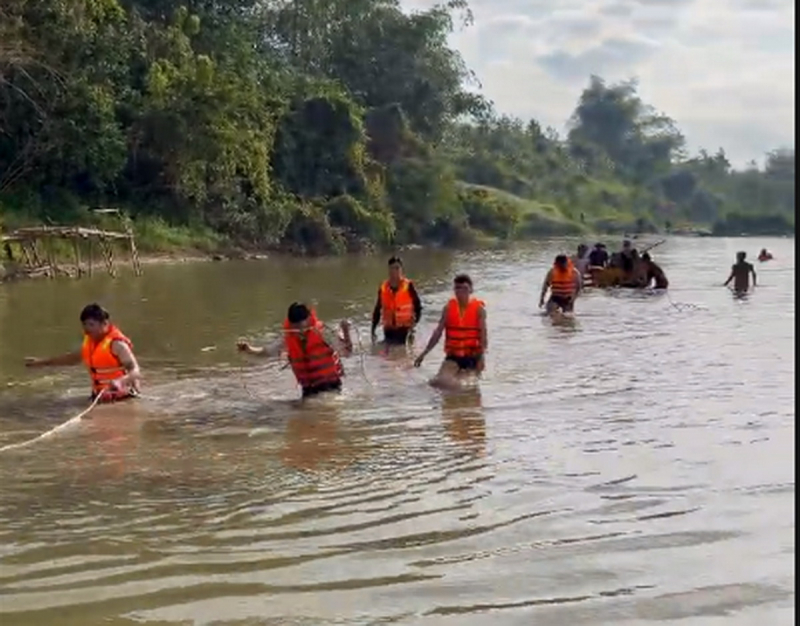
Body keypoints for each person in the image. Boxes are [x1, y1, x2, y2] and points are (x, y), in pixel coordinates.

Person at [24, 303, 141, 402]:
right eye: (84, 324)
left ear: (104, 324)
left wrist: (121, 381)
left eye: (91, 325)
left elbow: (135, 371)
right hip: (98, 396)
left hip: (123, 398)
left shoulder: (117, 344)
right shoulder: (89, 342)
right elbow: (71, 359)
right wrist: (41, 362)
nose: (87, 329)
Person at [237, 302, 353, 398]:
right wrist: (248, 349)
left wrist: (346, 331)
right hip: (308, 391)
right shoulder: (288, 338)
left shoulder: (323, 333)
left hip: (331, 387)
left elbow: (347, 352)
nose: (299, 331)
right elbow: (266, 352)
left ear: (308, 320)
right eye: (295, 327)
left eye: (301, 326)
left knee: (321, 407)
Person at [414, 274, 487, 384]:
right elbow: (438, 333)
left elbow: (483, 336)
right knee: (437, 383)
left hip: (472, 357)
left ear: (470, 290)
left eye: (464, 288)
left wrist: (481, 357)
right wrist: (424, 353)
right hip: (453, 357)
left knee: (464, 386)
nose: (460, 292)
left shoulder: (479, 309)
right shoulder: (448, 308)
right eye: (457, 288)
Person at [370, 256, 422, 346]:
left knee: (402, 352)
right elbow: (377, 309)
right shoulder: (383, 288)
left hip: (405, 330)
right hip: (388, 330)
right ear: (388, 270)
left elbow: (418, 306)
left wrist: (414, 326)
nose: (394, 271)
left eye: (397, 268)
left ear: (401, 270)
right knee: (385, 350)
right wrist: (373, 330)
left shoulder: (408, 286)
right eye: (392, 268)